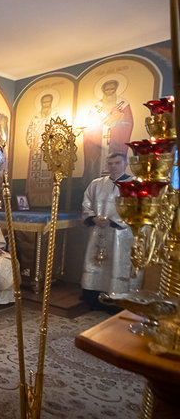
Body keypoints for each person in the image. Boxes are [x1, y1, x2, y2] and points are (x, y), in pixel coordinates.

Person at [80, 153, 139, 310]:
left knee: (117, 263)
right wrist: (93, 218)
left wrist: (113, 221)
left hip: (120, 234)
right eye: (110, 163)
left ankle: (116, 302)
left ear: (125, 164)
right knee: (95, 262)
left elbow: (137, 209)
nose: (113, 166)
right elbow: (86, 203)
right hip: (98, 231)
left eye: (117, 163)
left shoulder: (134, 184)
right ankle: (92, 298)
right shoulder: (96, 184)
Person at [83, 79, 133, 185]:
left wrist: (116, 123)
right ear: (103, 90)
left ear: (116, 89)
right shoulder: (96, 106)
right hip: (98, 140)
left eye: (112, 89)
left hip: (115, 139)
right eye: (107, 90)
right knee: (97, 163)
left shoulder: (123, 104)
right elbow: (89, 127)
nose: (109, 92)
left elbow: (128, 123)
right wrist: (99, 127)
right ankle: (96, 183)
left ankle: (115, 181)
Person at [25, 92, 59, 206]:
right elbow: (29, 134)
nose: (46, 104)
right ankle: (33, 202)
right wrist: (33, 144)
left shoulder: (55, 116)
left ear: (51, 103)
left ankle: (48, 202)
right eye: (44, 102)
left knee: (49, 176)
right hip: (36, 153)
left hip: (49, 152)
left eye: (48, 102)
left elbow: (59, 133)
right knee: (35, 177)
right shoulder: (36, 118)